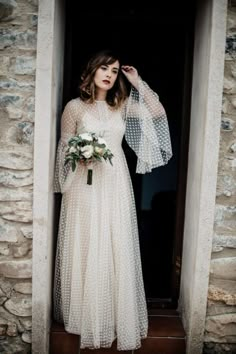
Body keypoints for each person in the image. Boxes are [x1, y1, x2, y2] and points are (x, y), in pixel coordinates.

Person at [53, 49, 173, 351]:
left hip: (115, 180)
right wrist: (71, 170)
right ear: (92, 71)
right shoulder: (74, 108)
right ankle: (83, 313)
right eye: (104, 68)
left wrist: (138, 82)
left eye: (115, 70)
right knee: (86, 241)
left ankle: (110, 312)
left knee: (113, 240)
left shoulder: (121, 106)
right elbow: (64, 147)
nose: (109, 74)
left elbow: (157, 113)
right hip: (83, 182)